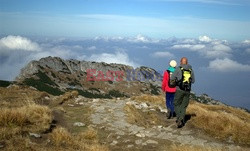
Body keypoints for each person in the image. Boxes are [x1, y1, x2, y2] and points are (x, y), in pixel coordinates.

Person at [171, 57, 195, 128]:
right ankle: (182, 118)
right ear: (187, 62)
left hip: (179, 90)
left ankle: (179, 117)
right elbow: (193, 81)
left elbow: (172, 78)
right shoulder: (191, 70)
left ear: (181, 62)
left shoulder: (178, 69)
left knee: (176, 103)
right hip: (187, 90)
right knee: (183, 106)